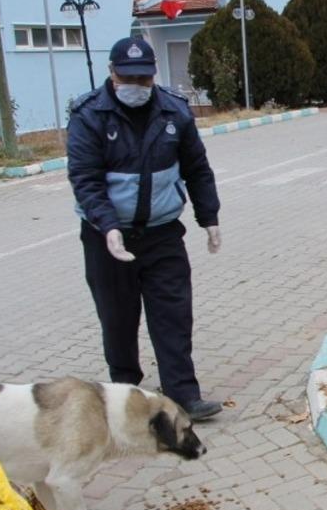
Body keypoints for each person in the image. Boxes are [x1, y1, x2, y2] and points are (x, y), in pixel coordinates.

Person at [67, 36, 223, 421]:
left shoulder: (174, 112)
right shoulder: (89, 115)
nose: (135, 87)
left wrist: (210, 217)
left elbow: (196, 168)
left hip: (162, 234)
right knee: (117, 319)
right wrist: (108, 226)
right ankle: (125, 398)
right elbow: (85, 178)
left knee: (173, 314)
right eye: (127, 78)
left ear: (154, 75)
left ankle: (183, 395)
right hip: (106, 238)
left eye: (143, 79)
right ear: (111, 73)